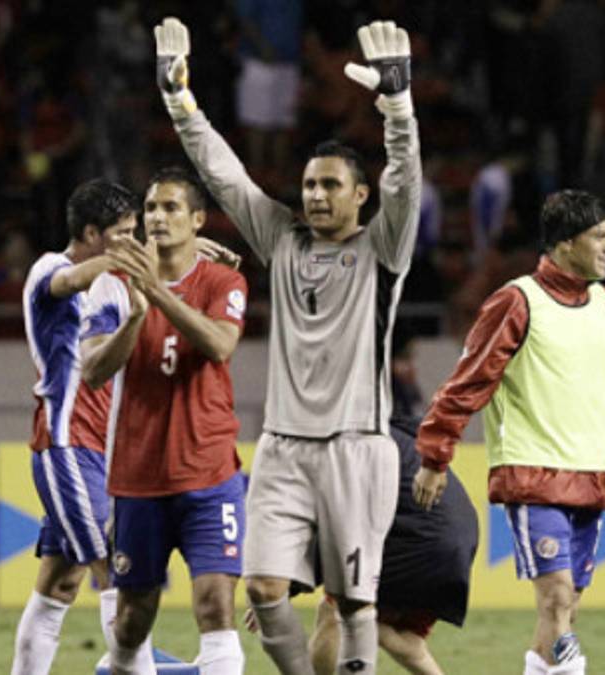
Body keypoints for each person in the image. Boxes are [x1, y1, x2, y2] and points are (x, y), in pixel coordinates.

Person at [153, 15, 422, 672]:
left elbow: (406, 178)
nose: (316, 195)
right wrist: (179, 100)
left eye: (331, 185)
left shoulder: (383, 248)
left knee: (355, 603)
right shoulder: (282, 241)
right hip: (281, 446)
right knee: (265, 589)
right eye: (308, 185)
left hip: (358, 445)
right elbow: (225, 176)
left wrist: (399, 107)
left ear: (361, 195)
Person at [412, 190, 605, 675]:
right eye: (600, 238)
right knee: (557, 600)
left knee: (563, 612)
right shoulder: (517, 301)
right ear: (566, 243)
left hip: (589, 478)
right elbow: (468, 381)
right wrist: (436, 455)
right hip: (532, 475)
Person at [80, 167, 249, 675]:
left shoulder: (224, 279)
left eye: (171, 207)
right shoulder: (110, 285)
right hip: (139, 477)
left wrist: (157, 293)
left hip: (210, 475)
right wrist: (134, 315)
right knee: (131, 622)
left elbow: (219, 344)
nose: (157, 217)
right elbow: (92, 370)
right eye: (150, 208)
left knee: (216, 607)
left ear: (198, 220)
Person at [13, 178, 158, 675]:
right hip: (66, 443)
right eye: (124, 233)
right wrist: (132, 261)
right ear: (92, 233)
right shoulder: (50, 270)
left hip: (105, 447)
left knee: (59, 583)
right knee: (116, 568)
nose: (135, 242)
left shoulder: (115, 287)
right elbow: (69, 283)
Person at [276, 406, 479, 675]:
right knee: (406, 640)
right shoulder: (401, 436)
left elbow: (339, 524)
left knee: (337, 608)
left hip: (419, 544)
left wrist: (284, 587)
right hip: (458, 547)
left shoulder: (357, 444)